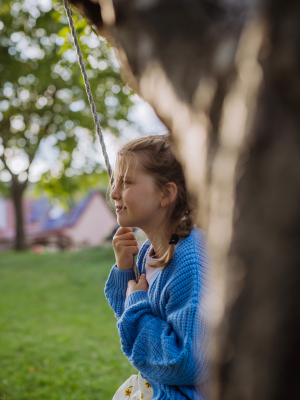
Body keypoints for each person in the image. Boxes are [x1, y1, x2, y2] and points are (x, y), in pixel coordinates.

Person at [105, 134, 211, 399]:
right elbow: (128, 319)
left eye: (126, 182)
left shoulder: (191, 261)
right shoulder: (147, 254)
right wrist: (124, 270)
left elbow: (187, 363)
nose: (113, 193)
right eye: (114, 182)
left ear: (166, 193)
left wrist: (137, 302)